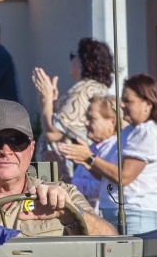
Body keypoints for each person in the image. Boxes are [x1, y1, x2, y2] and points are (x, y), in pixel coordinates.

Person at [0, 100, 116, 238]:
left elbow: (112, 244)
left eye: (18, 142)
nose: (6, 151)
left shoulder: (62, 195)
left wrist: (70, 214)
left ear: (31, 149)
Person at [65, 73, 157, 257]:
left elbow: (124, 176)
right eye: (122, 100)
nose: (122, 105)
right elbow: (106, 175)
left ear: (147, 103)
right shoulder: (130, 130)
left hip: (139, 213)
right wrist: (82, 159)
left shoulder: (147, 131)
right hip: (118, 213)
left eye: (128, 100)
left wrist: (89, 157)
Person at [32, 37, 113, 178]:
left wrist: (47, 99)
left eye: (73, 56)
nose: (71, 60)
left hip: (64, 173)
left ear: (84, 61)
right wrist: (48, 101)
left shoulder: (84, 91)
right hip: (73, 171)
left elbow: (53, 133)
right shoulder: (95, 89)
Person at [65, 94, 119, 213]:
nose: (86, 123)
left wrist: (68, 183)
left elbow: (104, 186)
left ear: (112, 122)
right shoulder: (92, 147)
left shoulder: (114, 148)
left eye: (92, 118)